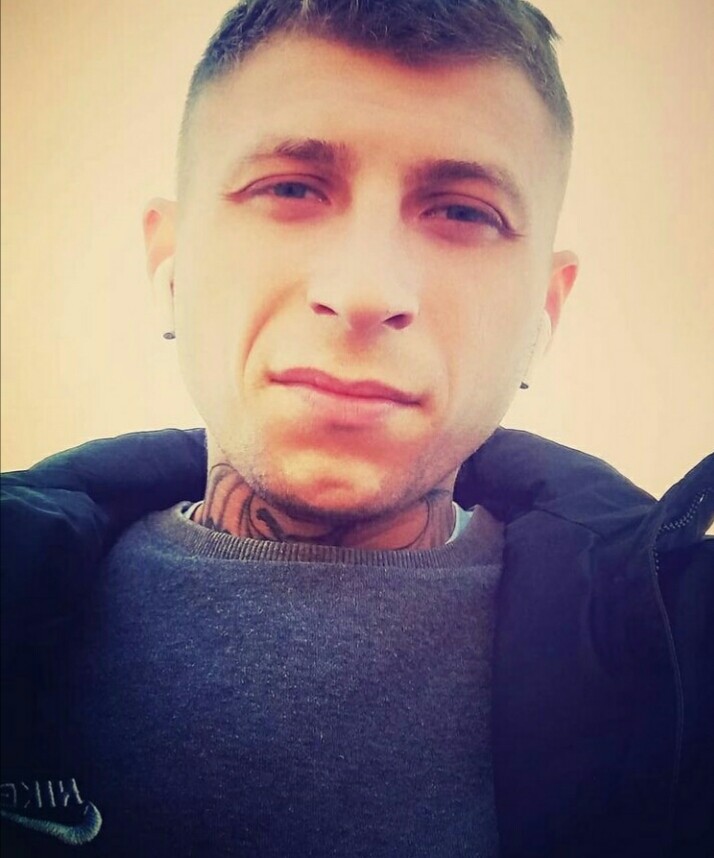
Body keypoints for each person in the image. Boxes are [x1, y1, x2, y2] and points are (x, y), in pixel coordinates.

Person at [1, 1, 712, 856]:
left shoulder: (693, 662)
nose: (366, 290)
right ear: (171, 264)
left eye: (464, 212)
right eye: (290, 188)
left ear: (544, 314)